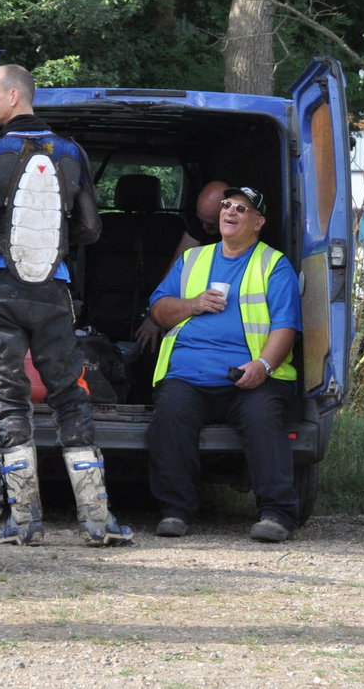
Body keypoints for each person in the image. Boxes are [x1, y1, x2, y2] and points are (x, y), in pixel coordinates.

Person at [0, 63, 132, 546]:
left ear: (14, 96)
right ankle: (97, 520)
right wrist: (54, 241)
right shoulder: (72, 153)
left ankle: (24, 521)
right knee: (70, 395)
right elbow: (91, 229)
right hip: (54, 292)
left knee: (8, 397)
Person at [144, 185, 301, 543]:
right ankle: (175, 512)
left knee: (264, 418)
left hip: (252, 379)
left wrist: (263, 365)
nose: (229, 211)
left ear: (258, 222)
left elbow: (286, 326)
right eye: (227, 205)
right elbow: (158, 310)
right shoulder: (192, 259)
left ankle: (277, 514)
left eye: (241, 209)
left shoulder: (274, 265)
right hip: (189, 377)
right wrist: (193, 304)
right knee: (170, 415)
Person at [133, 179, 228, 352]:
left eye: (211, 223)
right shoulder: (202, 223)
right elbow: (178, 262)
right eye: (201, 220)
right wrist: (155, 314)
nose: (204, 227)